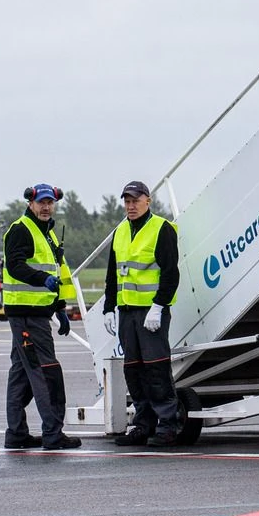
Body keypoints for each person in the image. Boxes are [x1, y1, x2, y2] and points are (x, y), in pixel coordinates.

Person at [0, 183, 81, 450]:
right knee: (46, 371)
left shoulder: (46, 233)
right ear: (30, 204)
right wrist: (41, 279)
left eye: (50, 203)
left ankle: (16, 433)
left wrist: (59, 307)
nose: (46, 207)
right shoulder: (21, 230)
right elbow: (16, 266)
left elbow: (56, 272)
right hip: (27, 315)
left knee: (21, 373)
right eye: (41, 203)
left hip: (35, 312)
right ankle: (53, 433)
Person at [103, 180, 182, 447]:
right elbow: (112, 275)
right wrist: (108, 308)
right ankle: (143, 423)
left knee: (156, 368)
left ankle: (168, 424)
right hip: (127, 313)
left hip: (151, 313)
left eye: (135, 200)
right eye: (127, 201)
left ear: (148, 201)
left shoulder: (162, 228)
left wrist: (158, 306)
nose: (131, 206)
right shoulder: (120, 232)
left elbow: (170, 273)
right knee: (133, 371)